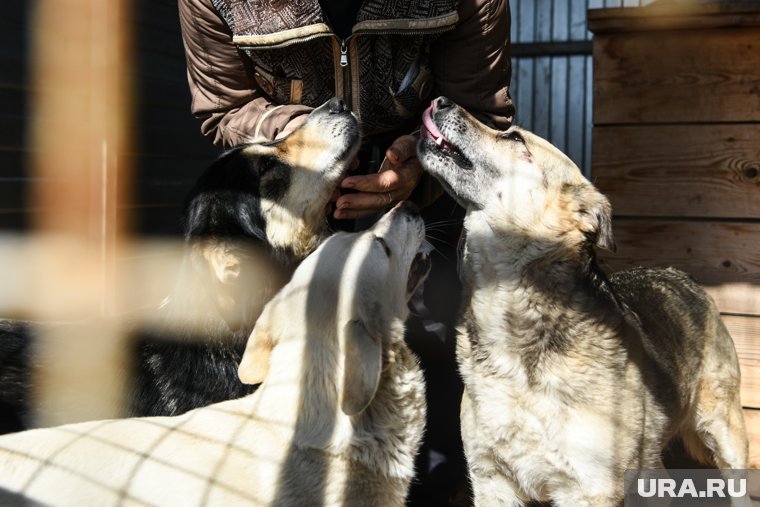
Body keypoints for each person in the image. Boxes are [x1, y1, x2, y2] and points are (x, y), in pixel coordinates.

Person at [178, 0, 514, 504]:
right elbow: (225, 108)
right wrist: (305, 146)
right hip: (298, 199)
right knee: (290, 373)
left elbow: (480, 111)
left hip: (423, 184)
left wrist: (419, 167)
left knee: (439, 360)